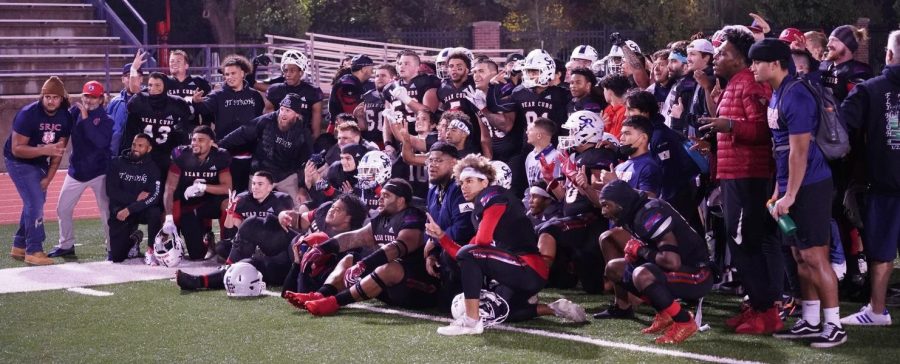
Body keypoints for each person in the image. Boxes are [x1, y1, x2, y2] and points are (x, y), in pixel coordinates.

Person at [750, 38, 844, 348]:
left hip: (811, 184)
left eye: (757, 62)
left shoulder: (797, 95)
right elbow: (782, 151)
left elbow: (799, 151)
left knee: (816, 257)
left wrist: (789, 194)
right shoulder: (779, 93)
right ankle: (811, 319)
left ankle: (834, 325)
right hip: (793, 183)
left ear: (775, 64)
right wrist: (780, 190)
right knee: (799, 257)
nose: (752, 68)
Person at [430, 155, 586, 335]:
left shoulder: (493, 194)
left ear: (485, 182)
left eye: (469, 181)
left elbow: (480, 244)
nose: (463, 186)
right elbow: (463, 255)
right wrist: (441, 237)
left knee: (469, 255)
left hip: (527, 267)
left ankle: (471, 321)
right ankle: (554, 308)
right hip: (517, 273)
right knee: (499, 313)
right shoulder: (479, 211)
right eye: (462, 182)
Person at [699, 27, 783, 336]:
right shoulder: (736, 83)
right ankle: (757, 305)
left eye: (724, 53)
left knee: (746, 245)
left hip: (749, 175)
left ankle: (767, 311)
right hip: (735, 173)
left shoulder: (751, 84)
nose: (717, 57)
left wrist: (730, 125)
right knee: (742, 244)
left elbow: (764, 131)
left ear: (740, 59)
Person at [290, 179, 439, 315]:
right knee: (350, 258)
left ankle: (334, 303)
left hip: (419, 288)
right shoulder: (382, 219)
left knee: (390, 267)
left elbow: (397, 247)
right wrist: (322, 248)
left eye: (386, 196)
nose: (380, 198)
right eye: (381, 195)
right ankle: (321, 295)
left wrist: (364, 265)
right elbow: (352, 238)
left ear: (400, 201)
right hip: (389, 286)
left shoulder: (413, 217)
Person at [598, 180, 712, 344]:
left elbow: (672, 262)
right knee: (614, 268)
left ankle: (684, 321)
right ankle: (664, 313)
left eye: (606, 205)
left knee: (642, 274)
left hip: (698, 274)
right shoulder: (631, 212)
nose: (603, 211)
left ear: (621, 203)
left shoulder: (649, 214)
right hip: (678, 268)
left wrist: (641, 251)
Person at [838, 29, 900, 327]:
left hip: (885, 184)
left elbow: (840, 128)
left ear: (888, 55)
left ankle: (877, 310)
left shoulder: (870, 89)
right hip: (885, 184)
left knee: (881, 251)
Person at [4, 76, 72, 265]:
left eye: (55, 97)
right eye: (47, 96)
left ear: (61, 98)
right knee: (34, 201)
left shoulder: (65, 117)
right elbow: (17, 149)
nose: (51, 101)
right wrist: (44, 150)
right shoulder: (28, 113)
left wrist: (49, 179)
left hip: (40, 162)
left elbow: (58, 153)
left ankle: (19, 245)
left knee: (36, 199)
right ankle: (33, 250)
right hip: (18, 160)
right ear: (42, 96)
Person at [50, 81, 114, 257]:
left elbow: (100, 142)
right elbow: (61, 124)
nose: (89, 100)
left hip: (100, 172)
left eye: (94, 97)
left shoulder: (107, 120)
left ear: (101, 99)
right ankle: (66, 244)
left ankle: (112, 247)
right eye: (86, 95)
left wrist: (86, 119)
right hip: (76, 171)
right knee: (62, 208)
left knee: (106, 213)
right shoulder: (74, 112)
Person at [219, 94, 314, 204]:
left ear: (296, 114)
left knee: (300, 204)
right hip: (261, 170)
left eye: (288, 111)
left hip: (286, 174)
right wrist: (220, 144)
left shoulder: (303, 133)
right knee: (251, 206)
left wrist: (303, 188)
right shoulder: (268, 120)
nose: (283, 113)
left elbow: (306, 162)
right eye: (282, 109)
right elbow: (243, 132)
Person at [191, 55, 265, 193]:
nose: (229, 77)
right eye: (226, 74)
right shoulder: (217, 95)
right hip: (227, 153)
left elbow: (259, 122)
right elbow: (204, 108)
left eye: (233, 73)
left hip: (251, 153)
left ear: (243, 73)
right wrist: (196, 102)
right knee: (231, 194)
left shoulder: (255, 96)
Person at [161, 126, 232, 261]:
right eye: (193, 139)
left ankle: (225, 247)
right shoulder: (181, 155)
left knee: (229, 204)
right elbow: (169, 188)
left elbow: (227, 188)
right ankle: (158, 247)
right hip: (187, 205)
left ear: (211, 142)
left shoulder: (220, 156)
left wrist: (203, 186)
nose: (195, 143)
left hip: (210, 203)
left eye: (201, 140)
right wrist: (169, 217)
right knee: (196, 255)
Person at [420, 143, 476, 311]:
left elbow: (464, 228)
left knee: (449, 255)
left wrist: (435, 242)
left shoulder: (461, 188)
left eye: (438, 160)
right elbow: (430, 226)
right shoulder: (433, 190)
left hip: (469, 250)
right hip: (444, 247)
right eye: (430, 160)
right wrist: (430, 253)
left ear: (453, 163)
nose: (432, 165)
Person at [123, 54, 194, 185]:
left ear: (165, 86)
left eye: (157, 85)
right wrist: (133, 69)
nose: (153, 89)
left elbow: (184, 130)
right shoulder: (141, 100)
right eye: (150, 85)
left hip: (166, 154)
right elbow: (134, 91)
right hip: (144, 154)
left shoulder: (177, 103)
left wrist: (180, 152)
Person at [279, 194, 369, 294]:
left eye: (337, 209)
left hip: (321, 270)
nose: (331, 210)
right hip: (298, 252)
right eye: (333, 207)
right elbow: (298, 220)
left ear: (348, 218)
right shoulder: (324, 211)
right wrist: (283, 215)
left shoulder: (353, 241)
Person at [106, 133, 161, 262]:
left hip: (140, 210)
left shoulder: (153, 168)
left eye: (140, 146)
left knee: (155, 212)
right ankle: (134, 239)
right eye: (134, 144)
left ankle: (151, 250)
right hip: (120, 210)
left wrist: (130, 208)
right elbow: (111, 191)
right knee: (117, 257)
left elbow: (154, 196)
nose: (135, 148)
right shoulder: (116, 163)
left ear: (149, 149)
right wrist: (135, 198)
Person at [217, 171, 294, 259]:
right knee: (221, 247)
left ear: (269, 187)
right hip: (248, 242)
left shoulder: (281, 200)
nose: (255, 187)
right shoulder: (242, 199)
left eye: (260, 184)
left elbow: (287, 230)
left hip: (271, 241)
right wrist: (230, 213)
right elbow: (229, 229)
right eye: (253, 184)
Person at [437, 48, 491, 157]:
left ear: (467, 69)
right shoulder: (443, 88)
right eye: (451, 66)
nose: (454, 70)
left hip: (475, 137)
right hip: (453, 139)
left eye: (459, 67)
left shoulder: (475, 84)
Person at [265, 50, 324, 139]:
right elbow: (269, 124)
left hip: (303, 139)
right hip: (279, 139)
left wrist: (309, 146)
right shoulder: (274, 90)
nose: (288, 74)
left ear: (301, 72)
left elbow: (316, 130)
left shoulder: (313, 92)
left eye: (292, 71)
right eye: (285, 70)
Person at [109, 60, 143, 156]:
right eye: (128, 76)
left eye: (136, 75)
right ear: (123, 79)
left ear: (141, 79)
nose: (131, 78)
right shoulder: (114, 102)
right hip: (117, 154)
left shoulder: (148, 99)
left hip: (142, 154)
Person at [356, 64, 395, 147]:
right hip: (369, 141)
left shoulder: (396, 95)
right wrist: (360, 117)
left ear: (393, 78)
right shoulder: (367, 96)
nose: (379, 78)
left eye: (383, 75)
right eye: (377, 76)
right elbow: (364, 127)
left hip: (389, 141)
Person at [329, 54, 375, 124]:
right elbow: (351, 112)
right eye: (371, 69)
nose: (372, 72)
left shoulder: (365, 83)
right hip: (344, 127)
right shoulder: (347, 84)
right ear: (364, 69)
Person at [599, 74, 630, 139]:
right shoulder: (608, 109)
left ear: (609, 92)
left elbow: (619, 139)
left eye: (604, 90)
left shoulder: (626, 112)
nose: (603, 93)